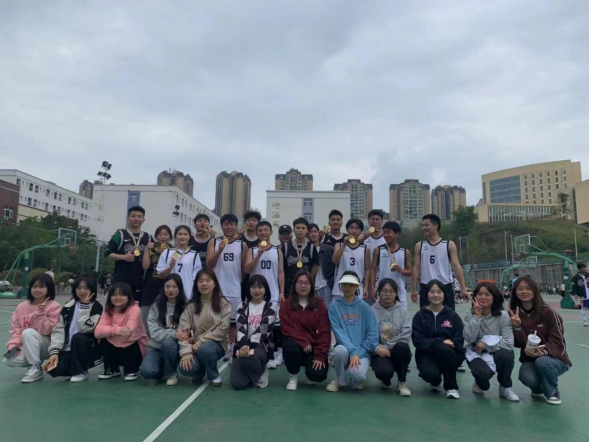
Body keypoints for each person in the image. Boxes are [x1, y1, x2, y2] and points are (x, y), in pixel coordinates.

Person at [509, 276, 572, 405]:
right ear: (515, 292)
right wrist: (517, 327)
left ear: (534, 291)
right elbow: (518, 343)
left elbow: (558, 341)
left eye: (528, 288)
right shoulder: (514, 314)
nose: (524, 291)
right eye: (520, 289)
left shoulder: (548, 312)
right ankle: (539, 388)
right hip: (530, 359)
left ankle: (553, 392)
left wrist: (543, 352)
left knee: (543, 362)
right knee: (525, 377)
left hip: (555, 358)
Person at [463, 283, 519, 401]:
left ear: (495, 297)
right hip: (477, 352)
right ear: (475, 297)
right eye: (480, 294)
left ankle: (505, 387)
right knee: (483, 380)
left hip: (496, 350)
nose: (483, 297)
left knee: (506, 355)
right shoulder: (469, 314)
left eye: (487, 294)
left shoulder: (503, 316)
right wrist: (477, 317)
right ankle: (479, 381)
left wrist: (486, 347)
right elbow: (469, 338)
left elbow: (508, 342)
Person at [412, 279, 465, 399]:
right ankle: (435, 379)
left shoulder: (452, 316)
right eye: (432, 292)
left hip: (449, 354)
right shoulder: (420, 316)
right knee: (430, 375)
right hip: (427, 354)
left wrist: (445, 344)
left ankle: (451, 387)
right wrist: (440, 341)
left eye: (439, 292)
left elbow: (458, 340)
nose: (436, 295)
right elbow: (418, 341)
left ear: (444, 294)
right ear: (427, 294)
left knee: (444, 349)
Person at [326, 271, 378, 392]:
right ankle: (340, 380)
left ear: (357, 286)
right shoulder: (334, 306)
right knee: (338, 351)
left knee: (357, 375)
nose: (347, 288)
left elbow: (372, 335)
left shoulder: (365, 307)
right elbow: (338, 331)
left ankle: (356, 377)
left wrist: (358, 353)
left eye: (351, 284)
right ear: (340, 286)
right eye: (344, 284)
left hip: (362, 352)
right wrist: (352, 351)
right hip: (344, 349)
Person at [178, 269, 232, 386]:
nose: (204, 284)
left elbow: (222, 330)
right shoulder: (191, 306)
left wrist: (200, 342)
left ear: (214, 284)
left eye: (208, 280)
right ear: (196, 284)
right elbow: (183, 331)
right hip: (195, 347)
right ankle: (199, 372)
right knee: (185, 368)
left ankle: (213, 375)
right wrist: (186, 352)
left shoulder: (224, 304)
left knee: (206, 349)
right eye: (201, 281)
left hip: (217, 344)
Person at [46, 274, 103, 382]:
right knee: (55, 370)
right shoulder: (68, 306)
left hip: (87, 346)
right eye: (79, 288)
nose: (82, 291)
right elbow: (59, 329)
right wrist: (55, 351)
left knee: (78, 337)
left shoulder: (96, 307)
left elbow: (84, 328)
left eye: (86, 288)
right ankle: (73, 367)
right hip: (68, 347)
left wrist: (84, 307)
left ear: (92, 289)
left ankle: (82, 370)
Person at [4, 274, 61, 383]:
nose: (37, 290)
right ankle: (34, 363)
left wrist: (40, 312)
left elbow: (46, 331)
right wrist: (13, 346)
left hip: (47, 345)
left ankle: (35, 368)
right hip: (28, 344)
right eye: (34, 286)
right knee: (8, 359)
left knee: (28, 332)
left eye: (41, 287)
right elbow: (15, 329)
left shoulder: (54, 306)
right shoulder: (21, 307)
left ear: (49, 289)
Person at [207, 214, 248, 362]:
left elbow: (244, 269)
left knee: (232, 324)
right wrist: (219, 250)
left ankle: (232, 348)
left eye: (232, 224)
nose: (229, 227)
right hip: (217, 289)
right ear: (222, 226)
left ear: (236, 226)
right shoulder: (213, 242)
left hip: (234, 289)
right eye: (226, 224)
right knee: (215, 321)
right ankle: (215, 347)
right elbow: (209, 265)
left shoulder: (242, 245)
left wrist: (238, 281)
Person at [244, 221, 285, 368]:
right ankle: (259, 352)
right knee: (257, 325)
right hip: (255, 294)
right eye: (260, 230)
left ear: (271, 232)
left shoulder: (277, 250)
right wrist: (258, 255)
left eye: (265, 230)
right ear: (256, 233)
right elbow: (247, 270)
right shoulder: (252, 250)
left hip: (272, 293)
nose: (263, 233)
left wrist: (281, 292)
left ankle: (278, 353)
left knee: (275, 326)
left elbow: (280, 273)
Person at [280, 270, 330, 391]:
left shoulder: (320, 305)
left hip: (312, 347)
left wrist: (320, 355)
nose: (303, 286)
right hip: (295, 345)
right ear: (295, 284)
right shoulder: (286, 305)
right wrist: (303, 341)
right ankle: (293, 375)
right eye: (300, 282)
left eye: (307, 283)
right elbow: (287, 328)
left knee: (318, 375)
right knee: (289, 345)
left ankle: (309, 372)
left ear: (311, 286)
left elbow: (324, 332)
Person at [411, 214, 468, 311]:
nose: (424, 228)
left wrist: (463, 288)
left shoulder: (449, 244)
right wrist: (413, 289)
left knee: (448, 317)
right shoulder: (419, 246)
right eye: (422, 225)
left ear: (436, 225)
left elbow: (456, 266)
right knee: (426, 317)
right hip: (426, 287)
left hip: (445, 286)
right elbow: (416, 267)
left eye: (426, 225)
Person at [230, 275, 277, 390]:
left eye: (260, 287)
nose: (257, 290)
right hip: (242, 345)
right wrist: (243, 345)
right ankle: (254, 374)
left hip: (261, 346)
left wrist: (247, 346)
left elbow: (263, 331)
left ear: (265, 289)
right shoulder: (242, 306)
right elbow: (240, 328)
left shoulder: (271, 307)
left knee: (250, 357)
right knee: (237, 384)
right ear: (249, 289)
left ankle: (261, 369)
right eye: (253, 287)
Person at [139, 274, 187, 385]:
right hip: (156, 347)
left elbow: (188, 330)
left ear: (180, 288)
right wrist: (174, 334)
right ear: (163, 288)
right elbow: (154, 332)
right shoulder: (156, 306)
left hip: (177, 347)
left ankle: (171, 373)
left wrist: (177, 337)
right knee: (146, 372)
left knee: (169, 343)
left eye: (174, 287)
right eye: (167, 286)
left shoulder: (186, 306)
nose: (171, 290)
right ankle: (165, 369)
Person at [95, 282, 148, 381]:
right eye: (114, 294)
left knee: (129, 343)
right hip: (116, 344)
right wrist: (117, 330)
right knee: (103, 340)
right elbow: (97, 332)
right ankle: (112, 369)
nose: (118, 297)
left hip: (132, 346)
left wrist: (108, 331)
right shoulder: (107, 310)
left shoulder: (135, 310)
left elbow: (129, 332)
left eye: (122, 294)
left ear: (128, 296)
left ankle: (133, 369)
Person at [105, 206, 153, 306]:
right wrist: (124, 257)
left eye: (139, 216)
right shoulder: (120, 235)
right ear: (128, 218)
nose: (136, 219)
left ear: (143, 219)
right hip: (120, 280)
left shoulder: (148, 237)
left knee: (134, 310)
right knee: (118, 308)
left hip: (139, 282)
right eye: (133, 216)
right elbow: (107, 253)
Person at [371, 278, 412, 396]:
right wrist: (377, 348)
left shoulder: (403, 311)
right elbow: (367, 333)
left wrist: (387, 346)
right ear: (379, 292)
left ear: (396, 293)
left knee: (402, 347)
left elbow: (405, 334)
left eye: (391, 291)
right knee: (383, 372)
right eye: (384, 291)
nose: (388, 294)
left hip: (396, 349)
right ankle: (386, 380)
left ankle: (402, 382)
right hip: (379, 351)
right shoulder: (371, 311)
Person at [370, 221, 412, 307]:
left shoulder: (405, 252)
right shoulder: (378, 250)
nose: (386, 235)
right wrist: (373, 289)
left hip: (399, 290)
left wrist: (401, 270)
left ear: (397, 234)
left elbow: (411, 271)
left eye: (388, 232)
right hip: (382, 289)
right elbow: (373, 269)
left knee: (401, 314)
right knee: (381, 314)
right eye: (384, 232)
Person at [141, 225, 173, 330]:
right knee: (145, 312)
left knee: (164, 311)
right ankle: (146, 335)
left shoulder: (173, 251)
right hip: (150, 284)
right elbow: (145, 266)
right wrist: (146, 249)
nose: (163, 237)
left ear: (170, 237)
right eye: (160, 235)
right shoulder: (151, 249)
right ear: (156, 237)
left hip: (166, 285)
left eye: (166, 235)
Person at [157, 225, 202, 300]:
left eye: (185, 234)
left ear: (189, 237)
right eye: (180, 234)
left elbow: (196, 277)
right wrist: (170, 267)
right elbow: (161, 275)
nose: (182, 237)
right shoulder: (167, 252)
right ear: (175, 236)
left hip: (188, 293)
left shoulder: (194, 254)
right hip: (170, 292)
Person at [332, 218, 370, 301]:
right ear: (347, 229)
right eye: (352, 228)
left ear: (360, 231)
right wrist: (344, 245)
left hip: (357, 288)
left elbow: (367, 269)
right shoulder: (339, 245)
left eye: (357, 228)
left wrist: (366, 287)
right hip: (339, 289)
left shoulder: (365, 249)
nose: (354, 231)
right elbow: (334, 260)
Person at [282, 217, 319, 297]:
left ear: (307, 231)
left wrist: (308, 279)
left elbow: (315, 266)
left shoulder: (311, 247)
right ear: (293, 230)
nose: (300, 230)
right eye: (298, 228)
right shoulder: (286, 247)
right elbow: (281, 268)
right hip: (289, 286)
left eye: (303, 228)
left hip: (305, 287)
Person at [308, 224, 335, 306]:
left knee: (326, 310)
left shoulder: (329, 249)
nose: (314, 234)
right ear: (307, 235)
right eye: (311, 232)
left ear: (319, 233)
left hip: (326, 285)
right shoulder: (306, 250)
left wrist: (330, 282)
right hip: (311, 286)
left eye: (315, 232)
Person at [571, 262, 589, 327]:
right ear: (580, 269)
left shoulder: (588, 275)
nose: (585, 269)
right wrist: (575, 294)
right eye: (584, 268)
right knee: (583, 307)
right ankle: (584, 320)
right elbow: (573, 287)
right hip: (582, 295)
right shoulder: (575, 277)